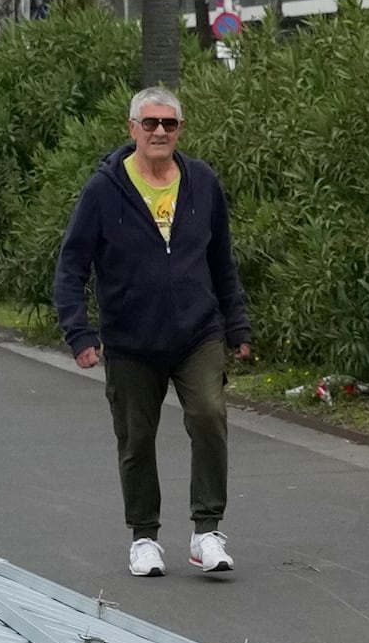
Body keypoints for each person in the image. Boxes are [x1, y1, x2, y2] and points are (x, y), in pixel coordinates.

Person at [51, 85, 252, 581]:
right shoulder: (104, 190)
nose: (159, 131)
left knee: (209, 415)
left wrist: (237, 325)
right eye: (150, 123)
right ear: (132, 129)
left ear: (180, 130)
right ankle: (144, 537)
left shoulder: (202, 182)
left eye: (169, 123)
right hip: (131, 340)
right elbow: (70, 267)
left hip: (197, 333)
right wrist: (80, 334)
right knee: (137, 439)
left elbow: (221, 262)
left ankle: (207, 531)